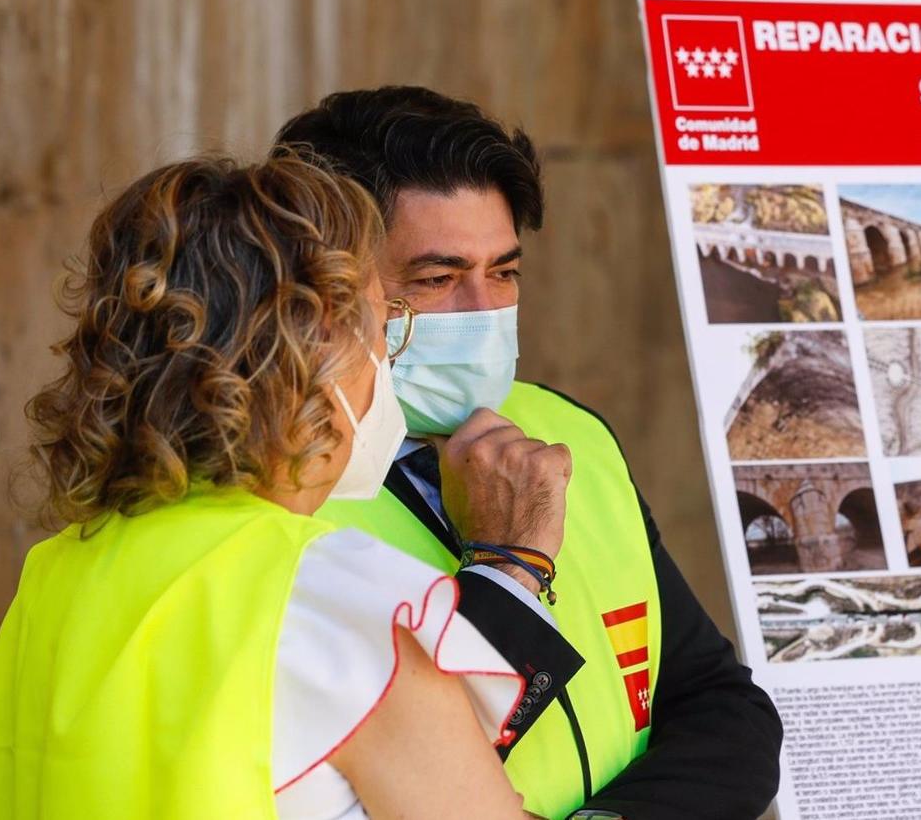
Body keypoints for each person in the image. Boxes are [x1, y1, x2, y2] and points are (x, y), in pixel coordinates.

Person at [277, 87, 782, 820]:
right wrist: (506, 566)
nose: (484, 313)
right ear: (325, 286)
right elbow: (392, 774)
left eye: (505, 272)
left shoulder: (566, 433)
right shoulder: (273, 496)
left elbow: (724, 710)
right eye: (439, 278)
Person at [0, 156, 543, 818]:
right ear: (308, 357)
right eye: (378, 335)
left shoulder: (56, 576)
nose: (385, 371)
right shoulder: (343, 601)